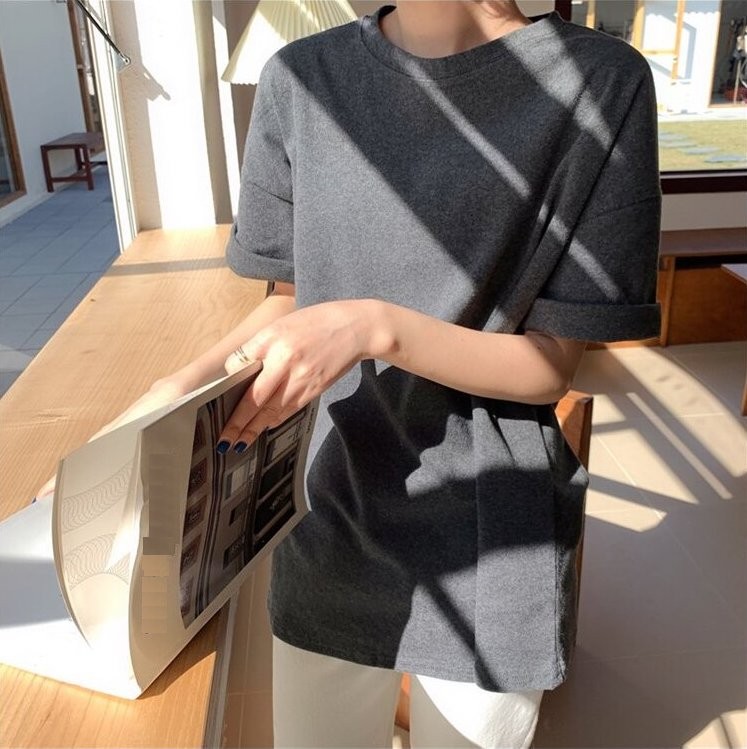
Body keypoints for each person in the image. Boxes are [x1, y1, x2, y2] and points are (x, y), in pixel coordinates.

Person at [39, 2, 661, 746]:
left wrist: (372, 327)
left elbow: (549, 366)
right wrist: (156, 407)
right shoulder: (301, 79)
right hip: (325, 503)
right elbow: (289, 304)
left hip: (490, 528)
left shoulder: (602, 82)